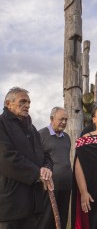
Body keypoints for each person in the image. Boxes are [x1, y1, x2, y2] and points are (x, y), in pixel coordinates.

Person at [0, 87, 53, 229]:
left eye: (29, 102)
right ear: (8, 103)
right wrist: (37, 173)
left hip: (33, 203)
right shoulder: (1, 124)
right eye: (22, 101)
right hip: (10, 203)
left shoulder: (31, 128)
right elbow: (6, 158)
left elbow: (44, 154)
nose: (28, 105)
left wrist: (47, 168)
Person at [38, 107, 72, 229]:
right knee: (46, 220)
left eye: (66, 119)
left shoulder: (67, 137)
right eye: (61, 119)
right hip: (49, 185)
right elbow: (37, 159)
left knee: (62, 218)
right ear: (51, 118)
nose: (64, 122)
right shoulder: (41, 134)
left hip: (66, 184)